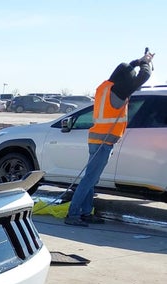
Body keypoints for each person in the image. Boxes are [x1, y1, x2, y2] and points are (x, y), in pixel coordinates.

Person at [64, 50, 154, 226]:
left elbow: (125, 69)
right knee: (89, 179)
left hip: (97, 140)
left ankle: (85, 212)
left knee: (91, 178)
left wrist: (138, 61)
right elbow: (145, 75)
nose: (131, 80)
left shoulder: (105, 87)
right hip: (103, 142)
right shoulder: (119, 91)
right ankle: (73, 214)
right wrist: (147, 62)